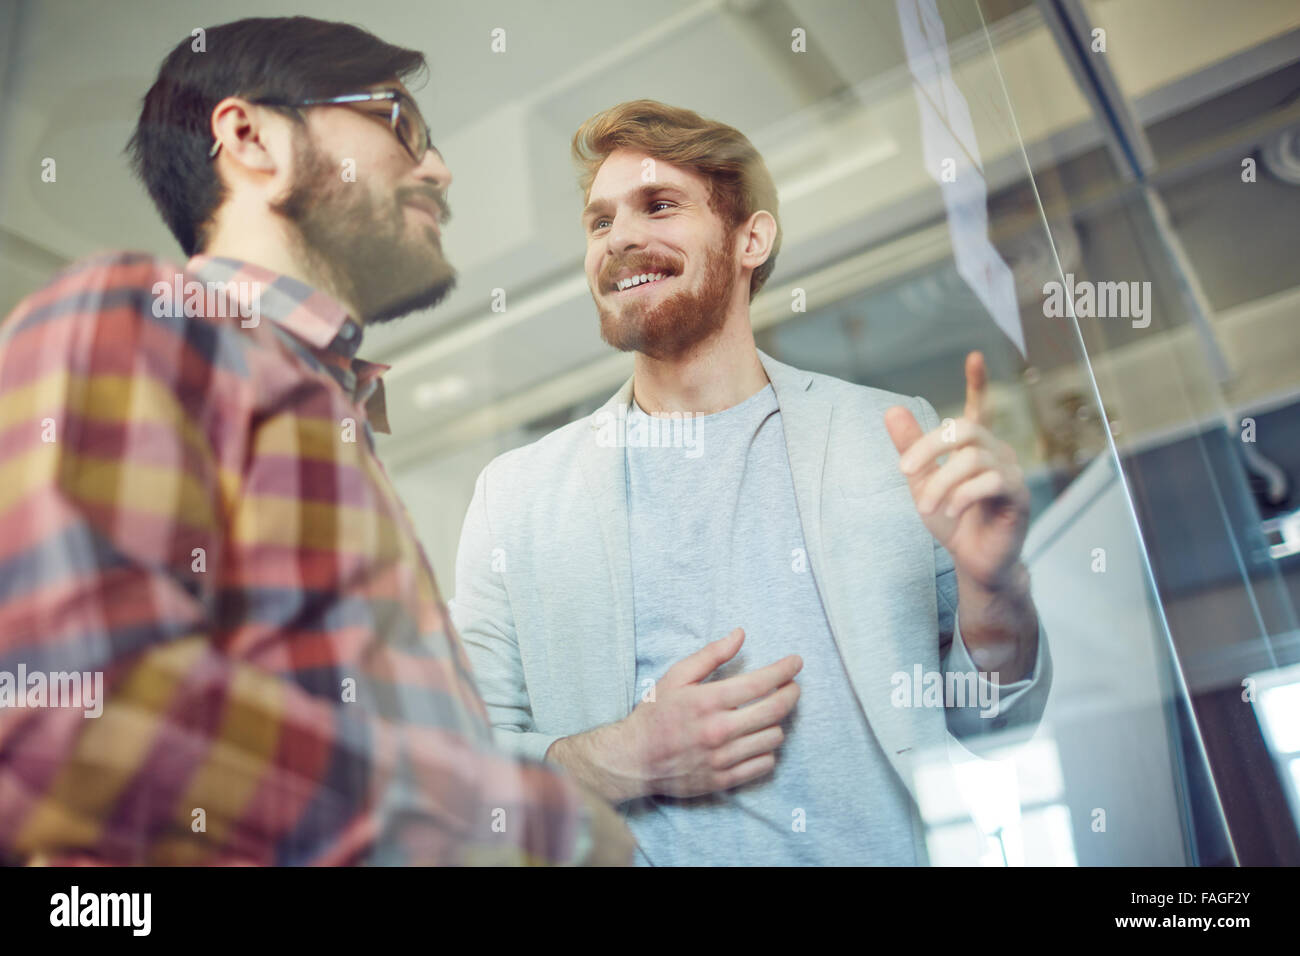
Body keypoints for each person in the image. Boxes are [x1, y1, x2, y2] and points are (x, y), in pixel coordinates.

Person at [0, 16, 633, 867]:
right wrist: (535, 825)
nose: (439, 168)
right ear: (251, 136)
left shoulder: (329, 403)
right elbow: (72, 710)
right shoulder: (142, 315)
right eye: (399, 123)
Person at [451, 100, 1053, 865]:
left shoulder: (888, 435)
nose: (621, 237)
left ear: (751, 239)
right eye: (599, 222)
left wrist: (994, 588)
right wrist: (620, 756)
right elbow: (463, 772)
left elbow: (993, 725)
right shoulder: (517, 495)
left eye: (659, 205)